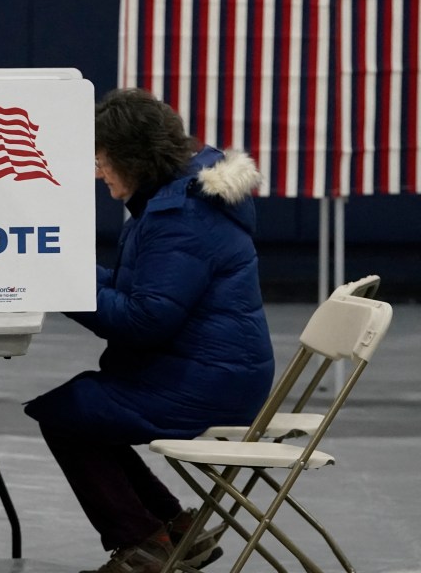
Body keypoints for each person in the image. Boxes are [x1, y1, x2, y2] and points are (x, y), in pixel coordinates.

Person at [24, 88, 275, 573]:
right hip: (217, 371)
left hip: (209, 383)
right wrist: (63, 267)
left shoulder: (181, 217)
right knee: (85, 407)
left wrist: (59, 284)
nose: (97, 172)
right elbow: (144, 289)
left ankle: (143, 544)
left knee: (70, 414)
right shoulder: (178, 200)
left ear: (133, 158)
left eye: (101, 159)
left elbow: (144, 320)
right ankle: (176, 530)